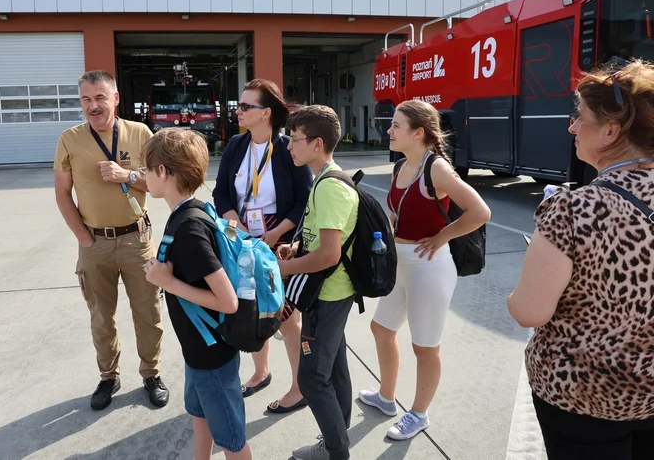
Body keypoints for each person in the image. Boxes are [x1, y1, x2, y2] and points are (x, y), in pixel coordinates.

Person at [508, 60, 654, 460]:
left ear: (611, 130)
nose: (572, 126)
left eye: (581, 117)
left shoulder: (573, 208)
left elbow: (528, 311)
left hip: (584, 397)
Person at [358, 100, 491, 440]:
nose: (388, 130)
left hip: (429, 267)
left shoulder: (437, 169)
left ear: (418, 133)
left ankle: (418, 414)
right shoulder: (400, 166)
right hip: (399, 263)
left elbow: (480, 211)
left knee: (425, 346)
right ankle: (387, 398)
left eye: (395, 125)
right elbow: (398, 213)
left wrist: (442, 236)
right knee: (381, 329)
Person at [53, 70, 168, 411]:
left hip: (137, 239)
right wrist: (83, 239)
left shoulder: (140, 133)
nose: (93, 106)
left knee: (148, 312)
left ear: (115, 99)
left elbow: (159, 185)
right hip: (95, 244)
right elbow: (62, 194)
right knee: (101, 316)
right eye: (86, 99)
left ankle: (151, 373)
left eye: (100, 97)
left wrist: (128, 175)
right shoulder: (69, 139)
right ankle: (109, 376)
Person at [142, 128, 253, 460]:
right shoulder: (196, 209)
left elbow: (228, 301)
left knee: (232, 439)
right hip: (199, 351)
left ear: (163, 172)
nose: (142, 175)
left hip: (211, 356)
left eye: (146, 169)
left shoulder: (189, 229)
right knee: (200, 414)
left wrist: (168, 282)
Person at [212, 78, 313, 412]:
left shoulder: (287, 149)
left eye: (245, 106)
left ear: (266, 113)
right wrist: (235, 225)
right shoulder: (236, 146)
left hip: (277, 241)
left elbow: (303, 201)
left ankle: (299, 387)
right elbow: (221, 193)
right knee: (250, 307)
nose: (238, 111)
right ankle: (261, 371)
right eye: (238, 106)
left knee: (284, 315)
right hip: (240, 236)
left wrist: (276, 235)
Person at [277, 105, 359, 460]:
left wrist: (285, 271)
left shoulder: (329, 186)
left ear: (317, 142)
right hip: (329, 293)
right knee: (334, 367)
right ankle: (337, 440)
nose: (289, 146)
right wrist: (296, 247)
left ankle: (336, 451)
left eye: (294, 139)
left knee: (312, 379)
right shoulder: (322, 179)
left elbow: (329, 255)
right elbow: (322, 241)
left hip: (327, 295)